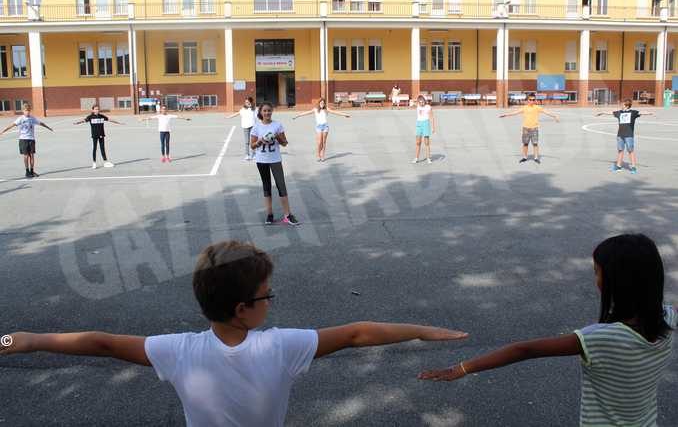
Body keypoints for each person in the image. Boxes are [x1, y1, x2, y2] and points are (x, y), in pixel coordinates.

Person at [0, 240, 468, 427]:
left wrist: (18, 340)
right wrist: (423, 330)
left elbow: (99, 342)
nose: (271, 301)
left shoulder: (176, 351)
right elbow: (357, 334)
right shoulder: (280, 346)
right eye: (267, 296)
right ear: (244, 310)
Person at [419, 233, 676, 427]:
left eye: (596, 272)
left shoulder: (600, 338)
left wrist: (462, 368)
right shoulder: (668, 316)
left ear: (616, 282)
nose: (595, 277)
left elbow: (525, 349)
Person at [250, 102, 299, 225]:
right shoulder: (256, 127)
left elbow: (284, 143)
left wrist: (277, 137)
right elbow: (252, 146)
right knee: (267, 187)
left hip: (275, 159)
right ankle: (269, 214)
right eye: (265, 111)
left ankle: (287, 215)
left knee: (281, 186)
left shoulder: (277, 125)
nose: (267, 113)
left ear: (272, 111)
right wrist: (260, 141)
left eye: (269, 110)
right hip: (262, 160)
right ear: (260, 112)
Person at [596, 99, 653, 174]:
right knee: (620, 150)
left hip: (629, 135)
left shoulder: (633, 113)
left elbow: (641, 112)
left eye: (622, 105)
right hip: (620, 135)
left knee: (630, 151)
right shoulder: (620, 112)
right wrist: (602, 112)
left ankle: (633, 167)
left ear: (626, 106)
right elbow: (611, 112)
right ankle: (618, 166)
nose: (621, 106)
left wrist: (650, 113)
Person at [499, 94, 559, 164]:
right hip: (526, 128)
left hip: (534, 128)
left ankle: (536, 157)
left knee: (535, 144)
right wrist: (506, 115)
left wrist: (555, 116)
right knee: (525, 144)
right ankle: (524, 157)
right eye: (530, 100)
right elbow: (515, 112)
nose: (532, 101)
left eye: (533, 100)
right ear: (527, 100)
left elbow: (546, 112)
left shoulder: (537, 108)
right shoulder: (524, 108)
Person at [0, 103, 54, 178]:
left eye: (28, 110)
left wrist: (49, 128)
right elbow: (12, 125)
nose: (27, 112)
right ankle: (27, 171)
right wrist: (3, 131)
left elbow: (41, 123)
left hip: (31, 139)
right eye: (26, 110)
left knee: (32, 155)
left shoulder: (32, 118)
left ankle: (32, 171)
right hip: (23, 139)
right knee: (26, 156)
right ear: (23, 111)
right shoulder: (20, 119)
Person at [292, 98, 350, 162]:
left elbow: (335, 112)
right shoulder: (315, 109)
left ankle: (322, 156)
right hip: (319, 127)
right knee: (319, 142)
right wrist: (297, 116)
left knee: (324, 142)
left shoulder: (326, 109)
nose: (322, 104)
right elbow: (306, 113)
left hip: (325, 127)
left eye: (323, 103)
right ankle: (318, 155)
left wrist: (345, 114)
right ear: (319, 103)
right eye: (321, 103)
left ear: (324, 104)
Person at [73, 104, 124, 169]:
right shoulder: (90, 117)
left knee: (102, 148)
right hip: (95, 135)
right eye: (96, 109)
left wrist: (119, 123)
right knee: (95, 148)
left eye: (98, 109)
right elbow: (84, 120)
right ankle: (94, 163)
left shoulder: (101, 116)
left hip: (101, 134)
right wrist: (77, 123)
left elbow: (110, 120)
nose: (97, 110)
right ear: (93, 110)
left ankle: (105, 162)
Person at [227, 97, 256, 161]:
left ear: (251, 102)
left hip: (252, 127)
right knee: (247, 142)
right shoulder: (243, 109)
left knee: (253, 141)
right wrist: (229, 117)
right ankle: (247, 155)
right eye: (246, 102)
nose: (247, 103)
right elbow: (237, 114)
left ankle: (254, 154)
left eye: (248, 102)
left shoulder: (254, 109)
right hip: (245, 127)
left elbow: (259, 116)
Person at [412, 94, 436, 164]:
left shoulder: (428, 107)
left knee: (426, 142)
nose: (422, 103)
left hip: (426, 124)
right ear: (418, 102)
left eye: (423, 102)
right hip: (419, 124)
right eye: (420, 102)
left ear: (425, 101)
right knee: (418, 142)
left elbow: (432, 117)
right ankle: (416, 158)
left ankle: (428, 158)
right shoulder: (418, 106)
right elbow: (413, 101)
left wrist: (433, 127)